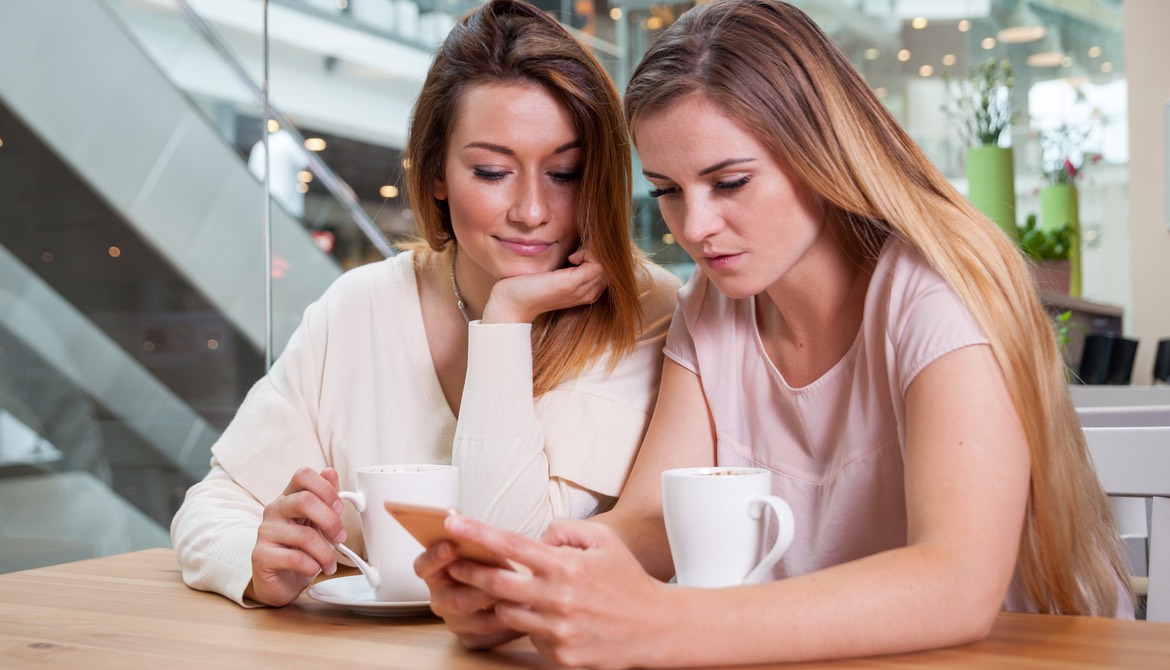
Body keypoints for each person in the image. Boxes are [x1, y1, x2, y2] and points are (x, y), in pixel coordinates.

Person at [415, 0, 1134, 666]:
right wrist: (535, 582)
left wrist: (658, 625)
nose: (694, 228)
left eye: (729, 183)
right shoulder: (714, 305)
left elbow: (958, 581)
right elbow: (653, 520)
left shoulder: (938, 291)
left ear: (820, 154)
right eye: (667, 190)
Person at [170, 0, 679, 608]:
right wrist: (256, 556)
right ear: (437, 173)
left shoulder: (645, 312)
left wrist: (507, 318)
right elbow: (213, 505)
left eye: (564, 174)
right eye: (492, 171)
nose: (533, 211)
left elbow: (505, 553)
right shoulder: (360, 306)